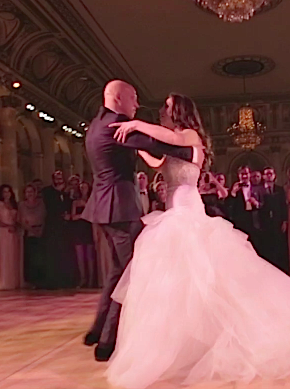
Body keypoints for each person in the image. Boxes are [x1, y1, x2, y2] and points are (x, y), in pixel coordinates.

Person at [105, 93, 290, 389]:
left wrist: (136, 123)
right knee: (180, 278)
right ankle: (187, 343)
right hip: (174, 209)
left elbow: (161, 136)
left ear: (180, 111)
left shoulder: (188, 135)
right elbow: (159, 163)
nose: (162, 110)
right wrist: (135, 148)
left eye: (168, 106)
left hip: (186, 208)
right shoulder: (175, 142)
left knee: (204, 275)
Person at [80, 80, 196, 362]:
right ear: (118, 99)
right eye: (133, 98)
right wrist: (190, 149)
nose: (137, 104)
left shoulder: (97, 123)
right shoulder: (117, 126)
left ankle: (97, 329)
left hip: (103, 207)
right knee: (130, 273)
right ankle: (107, 341)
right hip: (119, 208)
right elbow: (156, 144)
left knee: (117, 271)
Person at [0, 185, 22, 291]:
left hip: (13, 233)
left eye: (8, 191)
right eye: (4, 192)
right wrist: (7, 226)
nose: (6, 194)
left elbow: (18, 219)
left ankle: (12, 281)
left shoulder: (14, 205)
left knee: (12, 256)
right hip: (2, 232)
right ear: (1, 193)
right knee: (2, 255)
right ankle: (1, 282)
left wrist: (15, 226)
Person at [19, 184, 46, 289]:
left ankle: (41, 281)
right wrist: (31, 230)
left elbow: (44, 217)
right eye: (27, 192)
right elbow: (21, 220)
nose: (29, 194)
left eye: (31, 191)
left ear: (35, 193)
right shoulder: (22, 205)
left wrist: (40, 230)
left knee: (40, 258)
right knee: (31, 259)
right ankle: (32, 282)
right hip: (29, 233)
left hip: (41, 233)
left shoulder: (41, 203)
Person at [71, 181, 96, 288]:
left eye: (85, 187)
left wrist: (82, 214)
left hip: (89, 228)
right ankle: (82, 279)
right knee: (80, 256)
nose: (83, 190)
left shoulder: (92, 201)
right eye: (81, 188)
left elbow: (93, 215)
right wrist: (84, 214)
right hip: (78, 229)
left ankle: (91, 279)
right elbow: (73, 217)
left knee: (90, 255)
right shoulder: (75, 202)